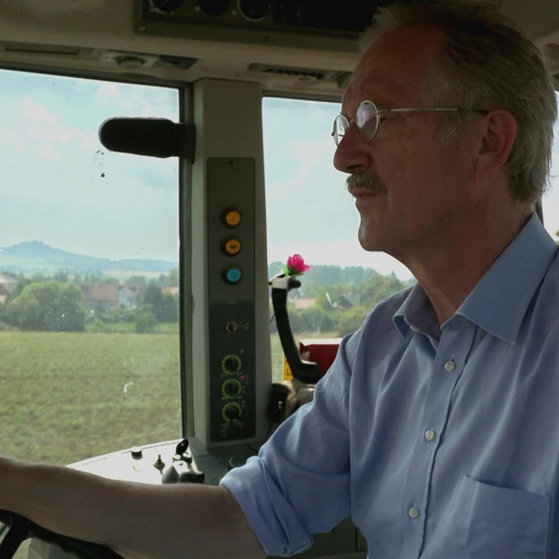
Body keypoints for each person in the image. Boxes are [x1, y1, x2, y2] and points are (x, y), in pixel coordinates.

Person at [1, 1, 558, 557]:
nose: (344, 156)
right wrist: (12, 482)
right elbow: (239, 518)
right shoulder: (382, 348)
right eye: (345, 124)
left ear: (488, 141)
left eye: (375, 118)